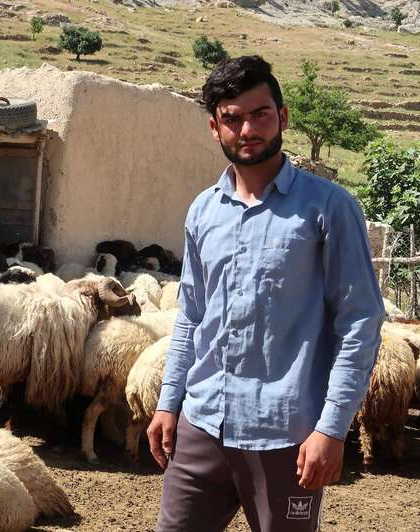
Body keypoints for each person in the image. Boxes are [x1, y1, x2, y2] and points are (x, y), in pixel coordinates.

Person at [146, 55, 385, 532]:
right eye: (232, 119)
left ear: (283, 117)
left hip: (286, 434)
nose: (247, 129)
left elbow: (359, 321)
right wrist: (169, 401)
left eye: (260, 114)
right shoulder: (202, 211)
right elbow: (192, 314)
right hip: (202, 422)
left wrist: (331, 429)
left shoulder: (328, 208)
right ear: (215, 128)